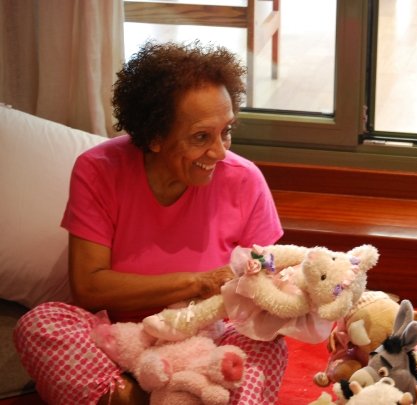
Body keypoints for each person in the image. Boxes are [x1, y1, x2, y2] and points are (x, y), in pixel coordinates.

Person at [13, 40, 287, 405]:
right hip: (120, 342)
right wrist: (199, 282)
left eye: (226, 131)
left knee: (267, 344)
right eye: (201, 137)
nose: (220, 152)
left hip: (208, 346)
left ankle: (171, 396)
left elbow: (266, 289)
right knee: (40, 324)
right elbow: (89, 287)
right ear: (156, 136)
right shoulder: (98, 170)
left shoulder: (245, 180)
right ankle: (159, 398)